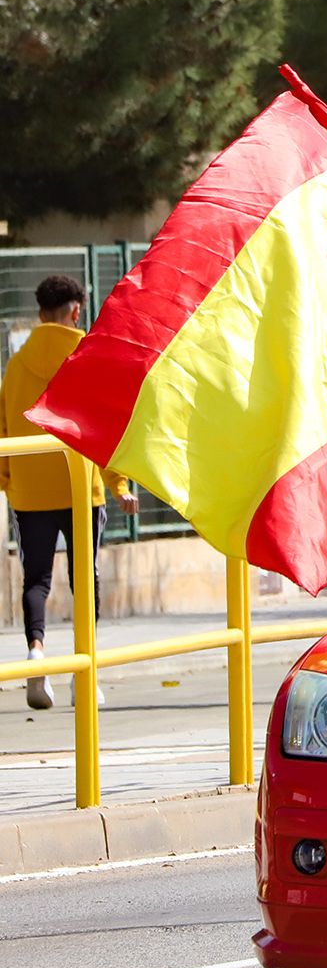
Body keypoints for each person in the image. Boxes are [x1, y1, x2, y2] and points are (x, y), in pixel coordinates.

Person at [1, 276, 137, 710]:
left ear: (41, 313)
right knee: (85, 576)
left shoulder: (16, 364)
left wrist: (8, 481)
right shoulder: (88, 354)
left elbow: (4, 425)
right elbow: (105, 423)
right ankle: (86, 671)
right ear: (76, 311)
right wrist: (119, 484)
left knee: (36, 579)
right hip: (82, 486)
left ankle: (35, 656)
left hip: (29, 489)